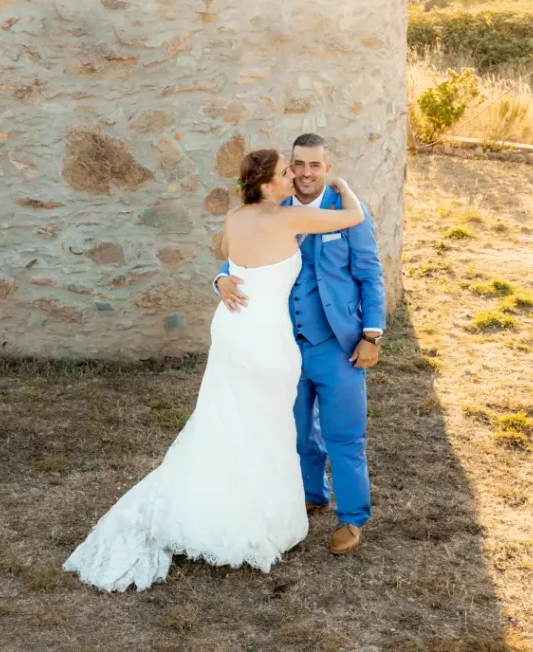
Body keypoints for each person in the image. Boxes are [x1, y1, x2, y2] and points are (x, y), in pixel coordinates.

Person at [63, 148, 364, 591]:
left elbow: (230, 257)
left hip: (231, 328)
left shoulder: (234, 217)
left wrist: (222, 279)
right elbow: (353, 217)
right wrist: (341, 186)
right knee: (265, 424)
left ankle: (216, 502)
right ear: (265, 185)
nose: (293, 177)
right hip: (264, 336)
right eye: (285, 172)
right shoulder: (286, 219)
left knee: (225, 418)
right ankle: (253, 517)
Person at [215, 133, 385, 555]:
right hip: (283, 346)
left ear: (327, 168)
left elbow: (369, 274)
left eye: (314, 165)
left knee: (345, 435)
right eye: (298, 165)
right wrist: (220, 279)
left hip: (337, 345)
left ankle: (351, 518)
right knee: (295, 432)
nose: (305, 173)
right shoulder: (274, 209)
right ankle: (311, 493)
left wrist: (371, 335)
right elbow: (238, 254)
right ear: (288, 170)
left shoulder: (349, 214)